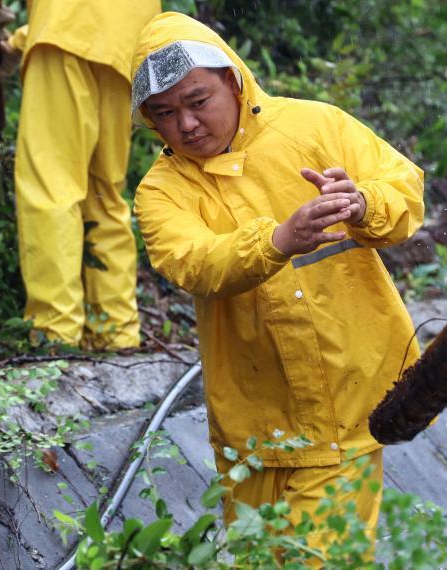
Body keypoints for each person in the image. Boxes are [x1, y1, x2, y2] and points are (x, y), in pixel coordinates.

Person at [130, 12, 425, 551]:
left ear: (233, 79)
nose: (188, 125)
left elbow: (403, 187)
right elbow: (192, 262)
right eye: (166, 114)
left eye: (198, 102)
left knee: (317, 560)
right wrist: (278, 240)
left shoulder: (315, 127)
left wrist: (363, 202)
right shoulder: (161, 191)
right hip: (254, 427)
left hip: (349, 400)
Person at [0, 1, 160, 350]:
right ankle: (116, 333)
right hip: (126, 45)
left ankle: (56, 336)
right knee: (104, 194)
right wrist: (18, 41)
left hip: (64, 33)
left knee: (51, 187)